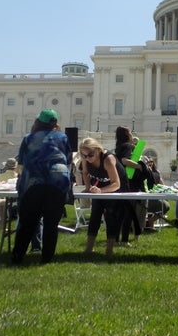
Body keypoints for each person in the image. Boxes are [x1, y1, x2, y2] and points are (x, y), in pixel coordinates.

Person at [12, 109, 72, 264]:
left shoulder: (29, 138)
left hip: (34, 182)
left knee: (28, 222)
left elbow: (21, 164)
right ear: (55, 123)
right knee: (51, 224)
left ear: (38, 121)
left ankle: (18, 256)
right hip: (58, 181)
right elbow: (69, 161)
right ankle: (46, 258)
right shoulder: (62, 137)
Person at [80, 137, 125, 256]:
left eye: (90, 155)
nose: (87, 158)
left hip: (118, 185)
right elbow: (85, 173)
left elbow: (116, 183)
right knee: (95, 214)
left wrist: (100, 190)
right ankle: (89, 249)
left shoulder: (108, 159)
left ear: (98, 150)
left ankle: (109, 250)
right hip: (101, 185)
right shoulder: (85, 159)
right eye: (84, 156)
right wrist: (88, 188)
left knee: (111, 216)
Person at [115, 126, 146, 245]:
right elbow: (124, 160)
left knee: (121, 213)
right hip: (128, 182)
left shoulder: (118, 147)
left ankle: (116, 238)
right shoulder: (127, 146)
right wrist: (139, 166)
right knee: (128, 212)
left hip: (120, 181)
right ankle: (124, 240)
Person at [144, 156, 170, 229]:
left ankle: (151, 221)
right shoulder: (143, 173)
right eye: (148, 162)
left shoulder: (156, 173)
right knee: (165, 205)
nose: (150, 163)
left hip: (154, 196)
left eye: (151, 161)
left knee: (165, 205)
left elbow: (162, 184)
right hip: (145, 198)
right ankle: (150, 222)